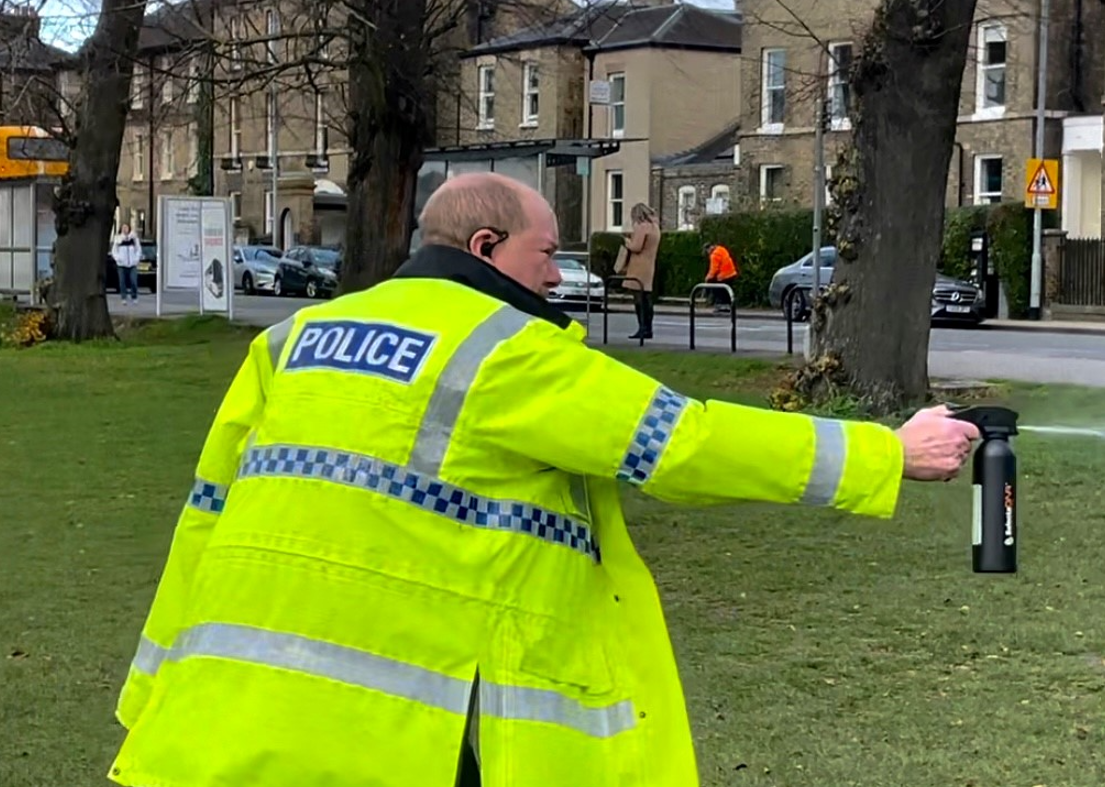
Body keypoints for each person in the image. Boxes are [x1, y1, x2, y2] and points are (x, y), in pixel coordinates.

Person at [107, 172, 980, 787]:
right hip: (405, 734)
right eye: (546, 252)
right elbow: (681, 443)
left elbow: (205, 517)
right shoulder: (504, 350)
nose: (557, 275)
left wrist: (150, 690)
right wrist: (883, 454)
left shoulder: (290, 342)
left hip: (231, 721)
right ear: (485, 246)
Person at [614, 202, 660, 340]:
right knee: (647, 297)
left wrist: (627, 241)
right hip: (649, 265)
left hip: (638, 266)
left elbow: (636, 247)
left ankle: (642, 328)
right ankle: (648, 328)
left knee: (639, 299)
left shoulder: (642, 227)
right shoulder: (655, 227)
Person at [704, 241, 739, 313]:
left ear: (709, 248)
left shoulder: (714, 255)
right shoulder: (721, 249)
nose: (707, 253)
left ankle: (721, 306)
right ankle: (729, 306)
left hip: (724, 275)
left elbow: (714, 269)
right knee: (727, 291)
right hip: (731, 273)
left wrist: (707, 278)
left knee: (718, 290)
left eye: (707, 251)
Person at [111, 224, 141, 305]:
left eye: (126, 227)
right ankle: (123, 297)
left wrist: (136, 259)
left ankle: (134, 297)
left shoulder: (134, 239)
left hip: (132, 264)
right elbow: (114, 251)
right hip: (121, 264)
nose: (125, 229)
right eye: (123, 227)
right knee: (122, 282)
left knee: (133, 281)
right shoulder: (118, 239)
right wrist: (118, 259)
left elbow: (138, 249)